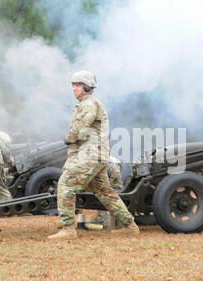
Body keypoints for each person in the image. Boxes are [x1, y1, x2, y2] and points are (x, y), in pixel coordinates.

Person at [48, 71, 139, 240]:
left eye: (78, 85)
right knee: (105, 192)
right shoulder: (86, 104)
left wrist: (69, 138)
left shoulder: (89, 104)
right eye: (73, 85)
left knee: (66, 185)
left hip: (91, 154)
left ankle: (68, 229)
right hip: (94, 154)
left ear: (87, 86)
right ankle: (129, 225)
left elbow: (80, 128)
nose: (74, 88)